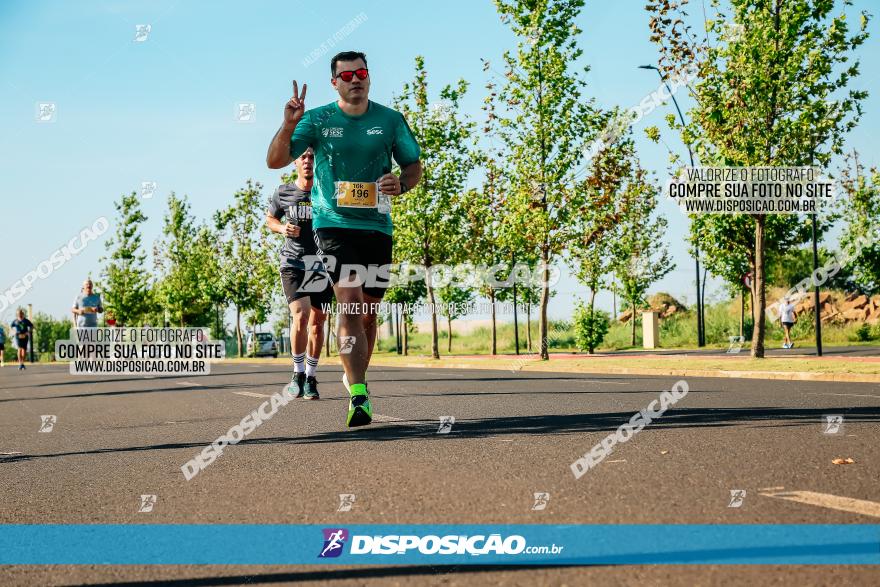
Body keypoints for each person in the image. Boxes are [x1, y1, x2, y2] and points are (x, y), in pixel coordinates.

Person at [267, 50, 422, 427]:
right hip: (332, 224)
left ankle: (358, 379)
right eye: (347, 75)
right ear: (334, 82)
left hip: (377, 226)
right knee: (350, 303)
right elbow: (274, 161)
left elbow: (414, 166)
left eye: (362, 73)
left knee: (368, 313)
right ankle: (358, 396)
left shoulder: (390, 120)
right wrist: (289, 125)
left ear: (369, 78)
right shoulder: (318, 119)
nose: (356, 79)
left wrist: (400, 184)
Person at [266, 147, 332, 400]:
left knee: (318, 322)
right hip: (293, 262)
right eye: (303, 157)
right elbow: (270, 219)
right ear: (294, 162)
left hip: (321, 265)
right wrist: (282, 228)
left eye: (312, 157)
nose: (307, 161)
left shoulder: (326, 191)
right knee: (301, 315)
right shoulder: (283, 191)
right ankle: (297, 372)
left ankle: (312, 377)